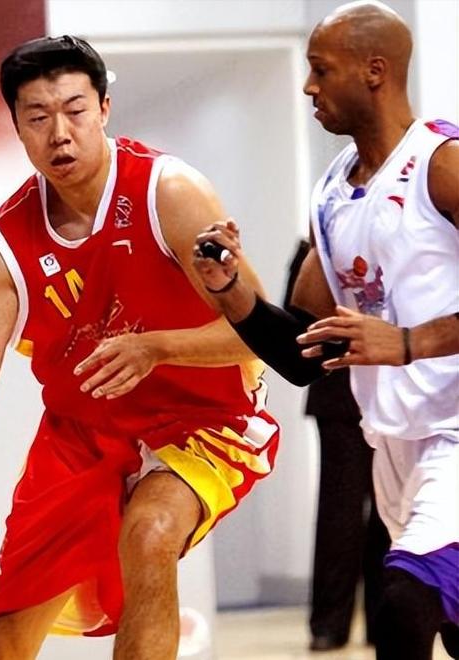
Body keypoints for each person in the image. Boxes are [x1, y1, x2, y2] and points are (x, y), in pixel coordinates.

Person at [0, 36, 280, 660]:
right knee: (2, 643)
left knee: (149, 532)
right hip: (82, 434)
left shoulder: (171, 193)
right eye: (38, 118)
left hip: (203, 418)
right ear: (17, 127)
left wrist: (155, 349)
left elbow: (260, 333)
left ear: (104, 109)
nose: (60, 134)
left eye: (75, 110)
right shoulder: (4, 246)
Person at [193, 3, 459, 659]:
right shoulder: (333, 194)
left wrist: (408, 344)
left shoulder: (443, 164)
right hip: (394, 447)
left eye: (321, 69)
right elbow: (304, 355)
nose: (309, 86)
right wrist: (232, 291)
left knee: (402, 603)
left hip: (454, 433)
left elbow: (399, 342)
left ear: (375, 71)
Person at [285, 240, 390, 652]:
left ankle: (384, 619)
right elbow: (295, 322)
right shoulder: (320, 243)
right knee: (340, 511)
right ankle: (329, 623)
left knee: (391, 511)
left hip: (394, 392)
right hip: (340, 392)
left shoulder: (403, 239)